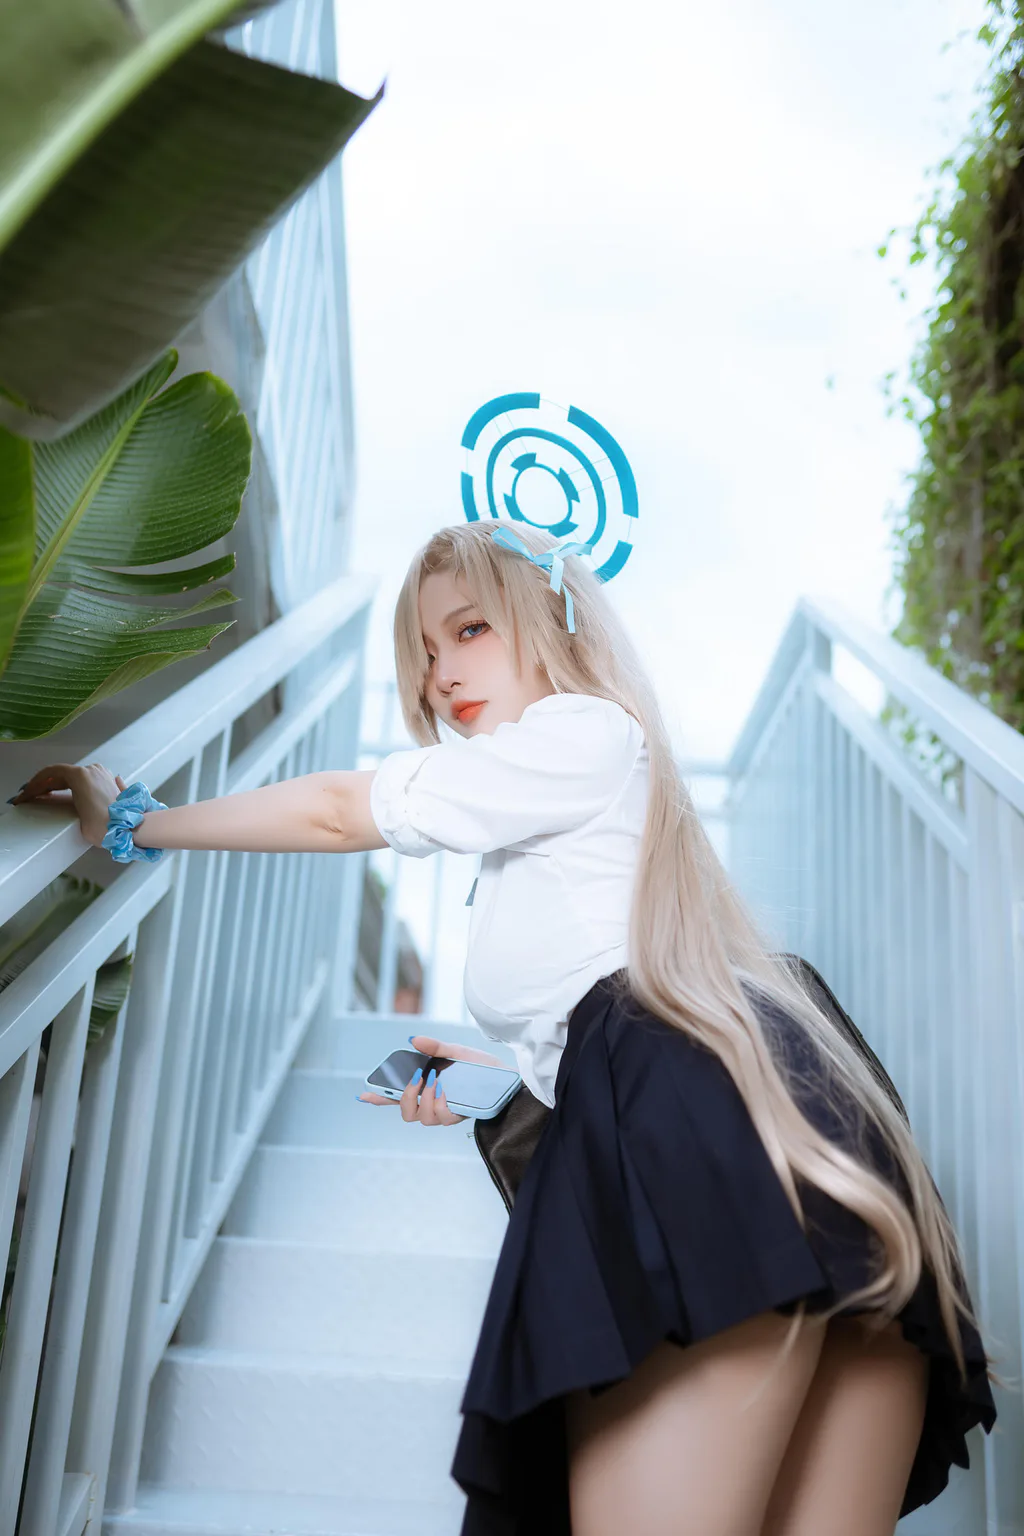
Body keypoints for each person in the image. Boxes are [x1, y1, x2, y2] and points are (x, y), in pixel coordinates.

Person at [15, 519, 998, 1536]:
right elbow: (611, 1035)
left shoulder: (582, 730)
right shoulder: (597, 811)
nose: (441, 674)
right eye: (424, 650)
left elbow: (338, 811)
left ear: (552, 619)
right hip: (804, 1131)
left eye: (470, 629)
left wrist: (133, 821)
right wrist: (505, 1089)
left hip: (726, 1133)